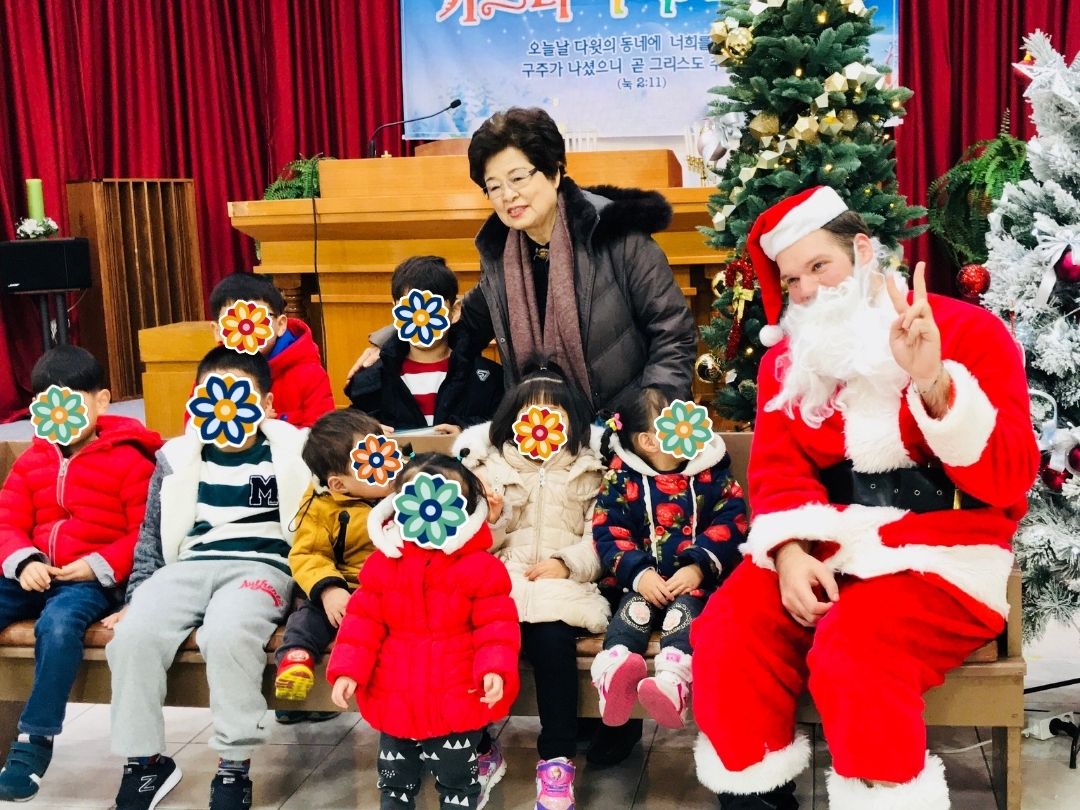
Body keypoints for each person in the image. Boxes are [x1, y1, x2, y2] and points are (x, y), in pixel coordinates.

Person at [690, 186, 1040, 809]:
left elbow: (1011, 477)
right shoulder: (790, 365)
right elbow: (777, 468)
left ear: (863, 249)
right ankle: (755, 797)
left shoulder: (967, 331)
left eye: (818, 267)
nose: (806, 291)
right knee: (728, 631)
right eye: (791, 278)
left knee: (856, 651)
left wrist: (934, 383)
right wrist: (790, 551)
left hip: (944, 553)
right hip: (830, 542)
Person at [348, 106, 697, 415]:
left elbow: (673, 333)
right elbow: (464, 322)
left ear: (554, 173)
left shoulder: (618, 233)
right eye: (494, 186)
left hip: (622, 434)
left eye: (517, 178)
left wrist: (651, 416)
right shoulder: (502, 254)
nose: (508, 195)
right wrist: (389, 342)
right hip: (538, 439)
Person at [104, 347, 311, 810]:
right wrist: (136, 596)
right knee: (134, 635)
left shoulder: (294, 452)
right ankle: (144, 761)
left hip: (261, 568)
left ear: (268, 405)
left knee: (229, 633)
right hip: (189, 565)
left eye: (241, 398)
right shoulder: (177, 458)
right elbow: (152, 535)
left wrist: (306, 596)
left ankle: (233, 765)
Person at [0, 347, 161, 802]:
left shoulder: (130, 460)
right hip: (31, 573)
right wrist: (24, 560)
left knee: (58, 625)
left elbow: (143, 532)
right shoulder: (34, 460)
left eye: (71, 404)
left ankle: (34, 742)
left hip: (91, 582)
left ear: (103, 400)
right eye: (47, 407)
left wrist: (96, 563)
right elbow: (7, 520)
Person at [453, 362, 609, 809]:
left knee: (553, 647)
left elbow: (600, 537)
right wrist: (495, 517)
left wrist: (568, 563)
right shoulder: (490, 466)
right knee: (472, 644)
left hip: (561, 588)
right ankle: (478, 743)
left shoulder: (589, 471)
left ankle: (556, 760)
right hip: (500, 582)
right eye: (531, 412)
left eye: (555, 414)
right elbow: (475, 543)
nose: (543, 423)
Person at [327, 453, 520, 810]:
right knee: (394, 783)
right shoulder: (384, 564)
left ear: (464, 512)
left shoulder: (479, 567)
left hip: (456, 694)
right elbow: (362, 622)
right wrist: (348, 669)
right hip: (394, 693)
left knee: (458, 784)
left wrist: (494, 666)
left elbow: (496, 624)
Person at [590, 387, 746, 731]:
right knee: (633, 610)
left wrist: (698, 566)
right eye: (674, 423)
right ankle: (615, 668)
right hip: (643, 582)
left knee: (684, 615)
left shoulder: (711, 472)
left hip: (694, 584)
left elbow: (731, 519)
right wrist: (638, 573)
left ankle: (673, 681)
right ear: (648, 441)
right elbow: (608, 528)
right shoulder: (622, 477)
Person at [273, 409, 384, 702]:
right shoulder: (320, 507)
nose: (388, 467)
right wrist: (329, 589)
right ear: (338, 484)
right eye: (372, 462)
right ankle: (296, 657)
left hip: (389, 590)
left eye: (386, 452)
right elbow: (308, 554)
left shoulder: (406, 493)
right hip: (344, 587)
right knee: (308, 617)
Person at [345, 255, 504, 435]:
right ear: (396, 310)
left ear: (455, 310)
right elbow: (354, 422)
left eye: (432, 308)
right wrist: (368, 430)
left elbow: (498, 424)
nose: (421, 318)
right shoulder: (374, 379)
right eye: (410, 308)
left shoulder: (485, 378)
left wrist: (465, 432)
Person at [210, 271, 335, 428]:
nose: (246, 327)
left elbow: (324, 438)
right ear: (218, 331)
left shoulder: (310, 375)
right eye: (234, 320)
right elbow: (197, 428)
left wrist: (271, 429)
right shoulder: (214, 373)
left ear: (281, 324)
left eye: (258, 317)